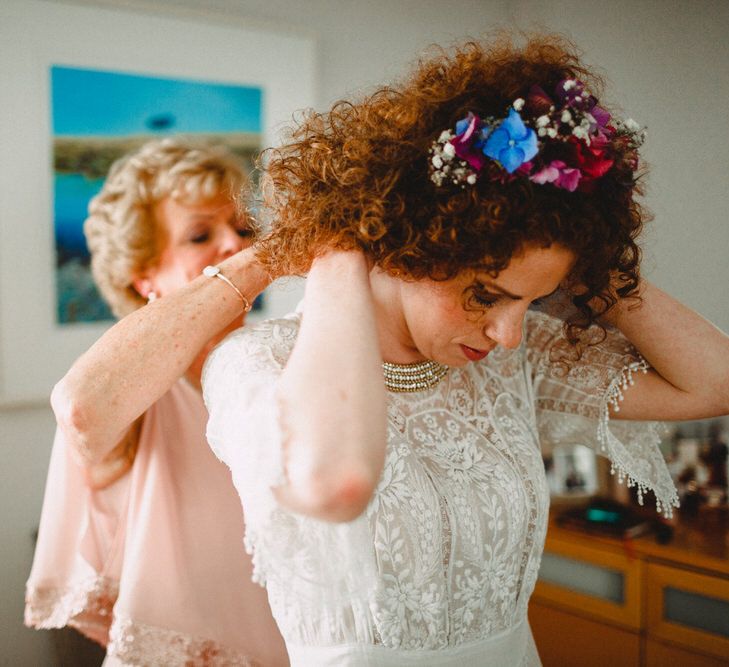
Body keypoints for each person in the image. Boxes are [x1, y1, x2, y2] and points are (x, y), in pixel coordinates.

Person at [198, 36, 729, 666]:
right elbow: (337, 480)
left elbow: (713, 383)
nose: (508, 333)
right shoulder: (254, 365)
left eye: (530, 303)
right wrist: (341, 244)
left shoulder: (514, 361)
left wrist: (592, 253)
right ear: (406, 247)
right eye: (485, 295)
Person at [24, 138, 289, 666]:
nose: (233, 245)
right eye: (200, 234)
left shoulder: (283, 360)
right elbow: (81, 411)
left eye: (243, 229)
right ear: (143, 277)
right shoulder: (126, 392)